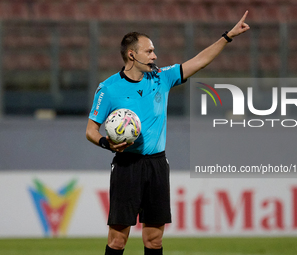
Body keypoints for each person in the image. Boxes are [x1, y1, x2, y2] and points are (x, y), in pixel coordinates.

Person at [86, 11, 250, 255]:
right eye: (149, 51)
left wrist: (227, 37)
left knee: (154, 240)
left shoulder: (160, 77)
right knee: (117, 240)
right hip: (126, 166)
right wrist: (106, 143)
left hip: (157, 164)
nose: (155, 56)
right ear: (132, 54)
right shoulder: (108, 88)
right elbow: (91, 129)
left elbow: (199, 61)